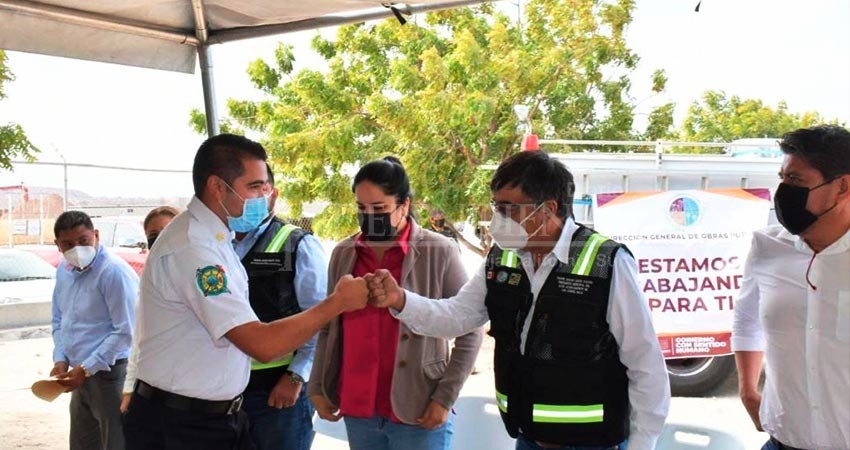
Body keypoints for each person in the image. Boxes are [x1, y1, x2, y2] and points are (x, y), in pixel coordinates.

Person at [366, 150, 670, 450]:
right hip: (528, 440)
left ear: (547, 209)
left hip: (592, 444)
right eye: (496, 207)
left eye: (509, 209)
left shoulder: (606, 263)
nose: (498, 219)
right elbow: (457, 316)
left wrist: (642, 445)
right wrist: (401, 299)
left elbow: (645, 364)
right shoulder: (502, 259)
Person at [122, 134, 368, 450]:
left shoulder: (218, 239)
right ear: (217, 187)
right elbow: (261, 344)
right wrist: (337, 302)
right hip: (181, 426)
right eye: (254, 187)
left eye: (265, 188)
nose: (262, 197)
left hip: (216, 416)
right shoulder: (196, 248)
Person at [309, 157, 482, 450]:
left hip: (417, 406)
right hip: (358, 406)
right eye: (361, 208)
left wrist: (444, 398)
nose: (368, 216)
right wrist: (317, 386)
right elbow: (329, 326)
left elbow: (470, 329)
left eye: (379, 208)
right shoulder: (344, 253)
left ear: (403, 205)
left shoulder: (438, 251)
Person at [732, 125, 850, 450]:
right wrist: (747, 389)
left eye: (796, 181)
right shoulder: (767, 247)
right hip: (782, 442)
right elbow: (746, 320)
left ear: (842, 187)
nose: (783, 191)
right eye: (782, 178)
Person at [234, 164, 327, 450]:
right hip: (226, 393)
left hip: (278, 391)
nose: (246, 201)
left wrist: (296, 376)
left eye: (256, 189)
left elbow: (321, 319)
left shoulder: (297, 243)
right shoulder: (215, 244)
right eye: (241, 191)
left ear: (272, 195)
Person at [50, 210, 139, 450]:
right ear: (57, 245)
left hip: (110, 372)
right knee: (83, 442)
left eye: (83, 241)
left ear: (96, 235)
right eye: (68, 244)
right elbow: (60, 320)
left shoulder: (113, 272)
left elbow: (126, 331)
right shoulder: (64, 270)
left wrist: (87, 367)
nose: (77, 249)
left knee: (116, 442)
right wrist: (61, 358)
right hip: (79, 373)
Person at [121, 205, 181, 413]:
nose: (159, 239)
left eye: (166, 232)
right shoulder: (149, 278)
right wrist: (129, 389)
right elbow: (139, 340)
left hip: (186, 393)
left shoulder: (198, 276)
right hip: (151, 389)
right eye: (153, 235)